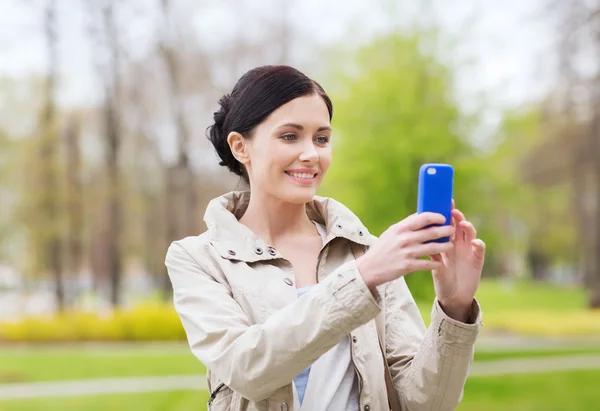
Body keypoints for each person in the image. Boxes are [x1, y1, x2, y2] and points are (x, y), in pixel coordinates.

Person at [165, 65, 486, 411]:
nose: (311, 154)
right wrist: (361, 279)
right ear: (241, 147)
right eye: (290, 136)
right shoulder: (198, 258)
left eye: (321, 138)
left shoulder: (367, 251)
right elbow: (248, 369)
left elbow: (425, 404)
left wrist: (454, 310)